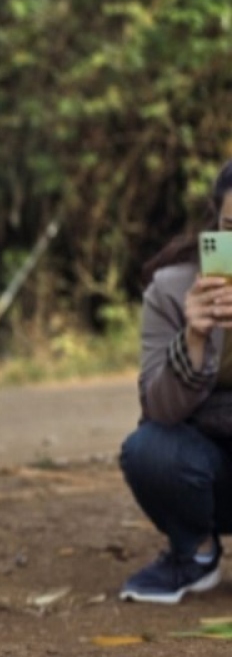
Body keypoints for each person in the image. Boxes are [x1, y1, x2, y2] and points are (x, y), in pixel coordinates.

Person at [120, 160, 232, 603]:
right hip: (208, 468)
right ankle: (195, 554)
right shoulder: (172, 290)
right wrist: (195, 336)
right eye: (231, 227)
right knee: (150, 449)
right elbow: (159, 410)